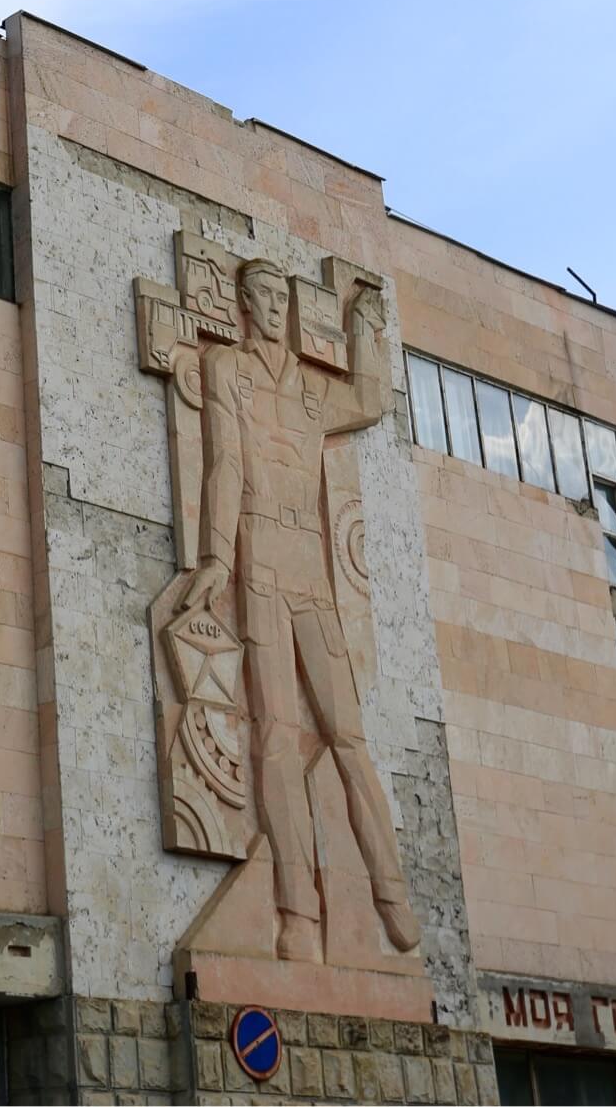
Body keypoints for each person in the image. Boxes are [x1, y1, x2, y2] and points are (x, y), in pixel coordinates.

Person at [176, 259, 421, 960]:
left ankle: (392, 896)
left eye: (277, 296)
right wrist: (216, 557)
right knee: (277, 735)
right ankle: (297, 916)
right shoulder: (228, 370)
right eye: (257, 294)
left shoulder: (314, 389)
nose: (270, 305)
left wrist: (367, 323)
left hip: (312, 562)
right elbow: (222, 462)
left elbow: (370, 400)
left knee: (347, 734)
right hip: (258, 560)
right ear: (244, 304)